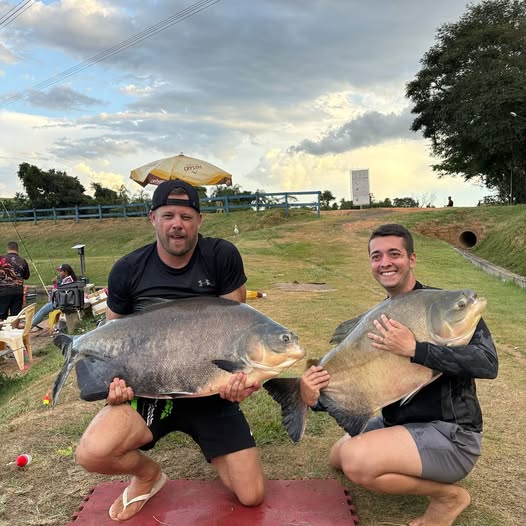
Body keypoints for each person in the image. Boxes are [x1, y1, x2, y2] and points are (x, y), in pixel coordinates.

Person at [74, 179, 264, 522]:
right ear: (153, 218)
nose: (177, 224)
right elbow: (113, 339)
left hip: (210, 393)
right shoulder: (128, 269)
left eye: (186, 216)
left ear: (199, 221)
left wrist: (243, 381)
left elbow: (238, 328)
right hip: (150, 393)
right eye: (168, 216)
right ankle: (149, 476)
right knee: (92, 452)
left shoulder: (222, 256)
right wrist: (114, 385)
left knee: (251, 495)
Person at [300, 223, 497, 526]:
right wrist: (313, 397)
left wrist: (417, 349)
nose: (385, 263)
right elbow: (355, 382)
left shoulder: (447, 304)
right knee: (337, 457)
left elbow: (487, 363)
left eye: (394, 254)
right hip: (401, 424)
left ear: (412, 259)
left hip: (452, 435)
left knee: (355, 460)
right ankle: (397, 455)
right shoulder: (380, 316)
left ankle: (448, 498)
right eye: (376, 256)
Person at [32, 263, 77, 330]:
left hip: (62, 303)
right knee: (43, 309)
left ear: (66, 272)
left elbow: (58, 293)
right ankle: (31, 323)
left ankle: (30, 325)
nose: (59, 273)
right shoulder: (68, 280)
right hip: (62, 301)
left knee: (43, 311)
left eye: (60, 271)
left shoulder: (68, 281)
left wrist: (55, 284)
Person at [0, 241, 30, 320]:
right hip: (17, 291)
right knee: (15, 316)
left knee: (1, 316)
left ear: (7, 249)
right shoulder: (23, 261)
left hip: (3, 291)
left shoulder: (1, 259)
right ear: (17, 249)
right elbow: (26, 276)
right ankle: (14, 327)